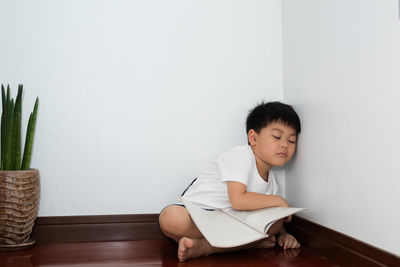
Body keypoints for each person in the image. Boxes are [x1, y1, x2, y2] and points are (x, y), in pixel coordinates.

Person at [159, 101, 301, 262]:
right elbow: (238, 201)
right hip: (200, 214)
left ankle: (204, 247)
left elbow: (269, 214)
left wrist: (283, 234)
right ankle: (244, 244)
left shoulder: (273, 182)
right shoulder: (240, 156)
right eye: (277, 137)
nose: (284, 145)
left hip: (231, 221)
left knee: (275, 223)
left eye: (292, 141)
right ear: (253, 138)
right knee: (170, 217)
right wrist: (279, 201)